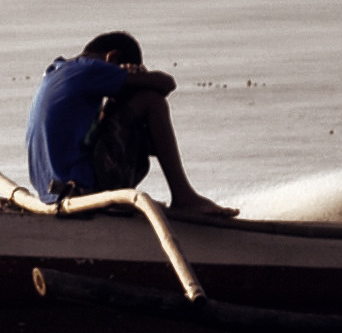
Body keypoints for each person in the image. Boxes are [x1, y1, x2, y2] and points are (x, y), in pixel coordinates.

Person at [23, 31, 231, 218]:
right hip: (79, 193)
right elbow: (165, 83)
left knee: (124, 106)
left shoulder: (57, 71)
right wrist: (140, 74)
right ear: (112, 57)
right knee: (150, 100)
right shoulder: (90, 68)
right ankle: (184, 196)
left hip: (53, 193)